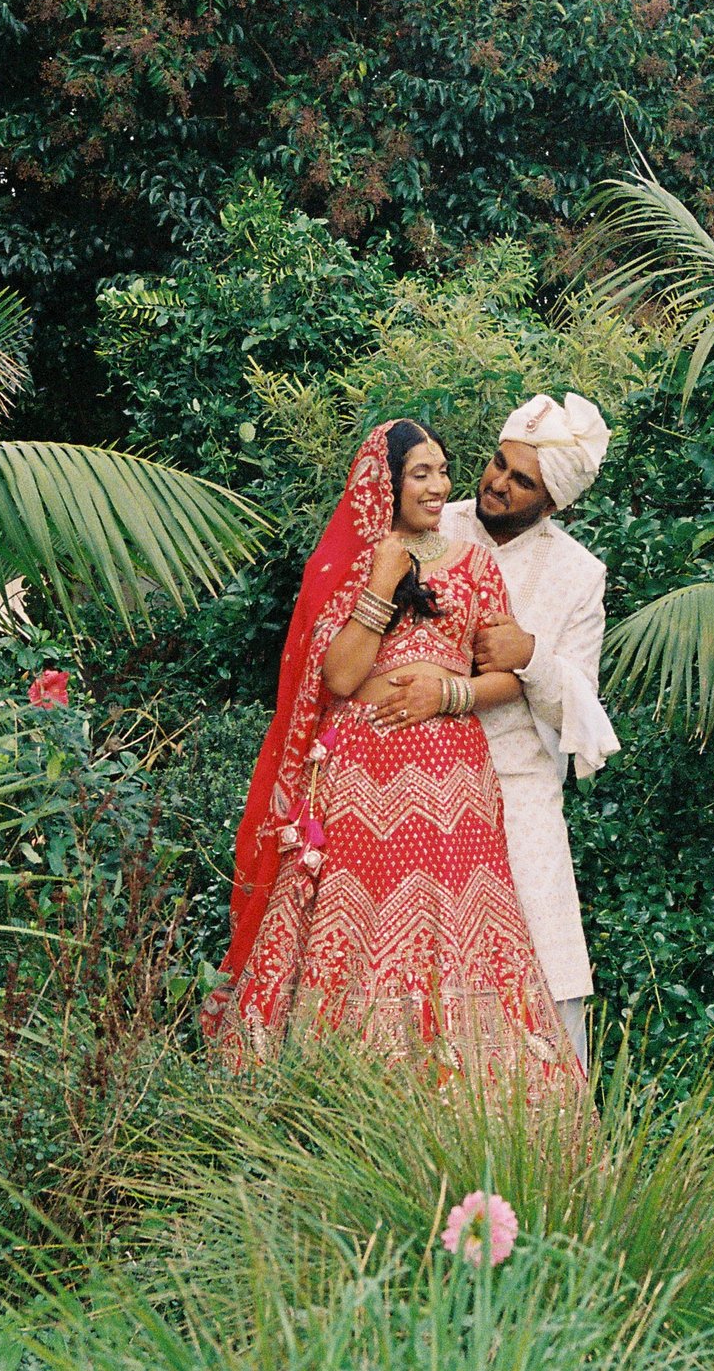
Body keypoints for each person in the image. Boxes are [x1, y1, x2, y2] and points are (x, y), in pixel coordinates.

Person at [205, 419, 583, 1096]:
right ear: (388, 483)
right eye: (422, 474)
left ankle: (472, 1098)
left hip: (453, 781)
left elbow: (508, 674)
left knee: (457, 932)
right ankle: (338, 1097)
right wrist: (382, 581)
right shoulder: (353, 563)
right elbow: (340, 680)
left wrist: (451, 694)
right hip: (357, 776)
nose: (440, 486)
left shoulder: (473, 565)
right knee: (356, 927)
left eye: (443, 470)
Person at [442, 393, 619, 1071]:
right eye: (498, 465)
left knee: (543, 956)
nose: (497, 484)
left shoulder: (579, 574)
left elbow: (580, 708)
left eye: (522, 482)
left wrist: (531, 656)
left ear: (553, 503)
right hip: (422, 772)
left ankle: (547, 1142)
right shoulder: (436, 525)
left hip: (519, 788)